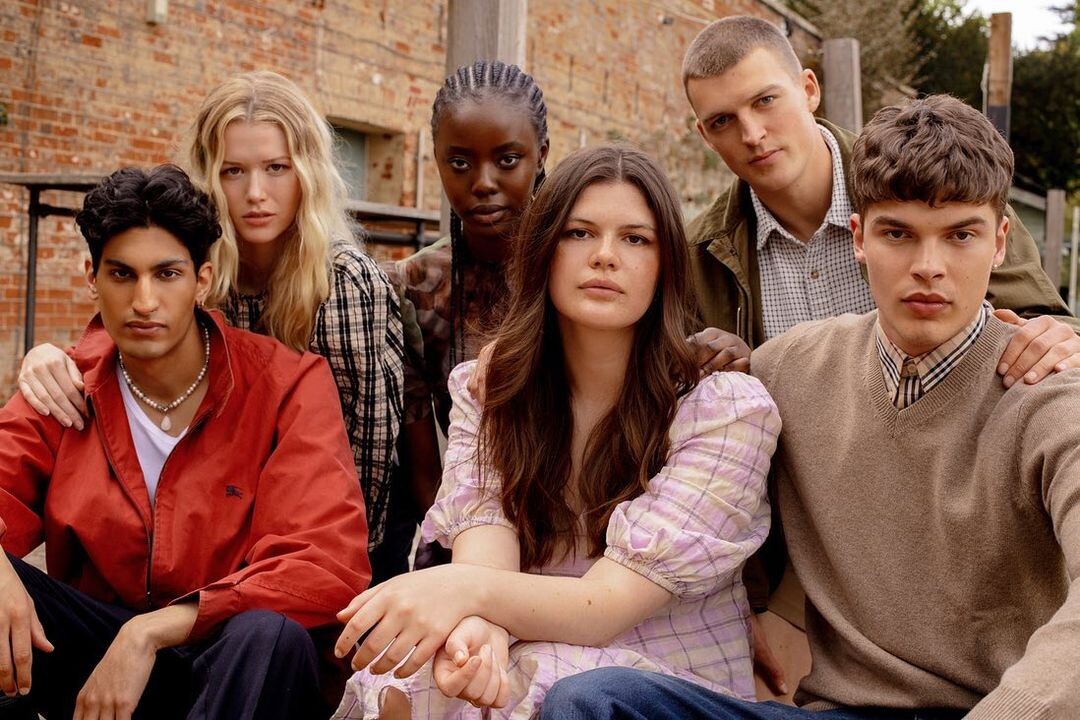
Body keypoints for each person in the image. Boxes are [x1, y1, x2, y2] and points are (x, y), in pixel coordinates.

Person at [539, 95, 1080, 720]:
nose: (928, 267)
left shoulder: (1052, 395)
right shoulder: (786, 371)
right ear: (858, 237)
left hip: (996, 710)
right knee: (593, 701)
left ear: (1000, 241)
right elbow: (681, 478)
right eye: (898, 233)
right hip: (839, 713)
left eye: (961, 235)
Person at [679, 15, 1080, 693]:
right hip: (819, 565)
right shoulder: (700, 259)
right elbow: (721, 409)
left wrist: (1066, 340)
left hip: (959, 555)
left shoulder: (922, 177)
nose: (751, 133)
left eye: (765, 101)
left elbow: (1041, 333)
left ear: (808, 89)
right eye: (723, 120)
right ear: (863, 237)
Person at [330, 144, 781, 719]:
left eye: (635, 239)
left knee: (531, 684)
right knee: (415, 679)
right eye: (579, 233)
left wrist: (461, 594)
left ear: (666, 264)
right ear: (544, 251)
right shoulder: (493, 388)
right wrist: (479, 637)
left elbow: (606, 606)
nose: (605, 257)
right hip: (526, 636)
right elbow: (486, 540)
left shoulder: (724, 411)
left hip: (663, 675)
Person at [0, 165, 369, 720]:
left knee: (270, 634)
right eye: (122, 274)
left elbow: (324, 564)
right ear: (92, 278)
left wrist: (150, 632)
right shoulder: (64, 386)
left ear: (202, 280)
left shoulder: (286, 383)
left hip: (235, 662)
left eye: (167, 274)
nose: (144, 301)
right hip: (95, 660)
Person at [15, 71, 406, 583]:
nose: (256, 193)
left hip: (333, 546)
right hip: (219, 542)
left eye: (276, 168)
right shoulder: (198, 267)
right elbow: (141, 324)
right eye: (233, 171)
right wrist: (47, 356)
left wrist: (317, 574)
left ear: (307, 172)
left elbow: (366, 463)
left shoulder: (344, 283)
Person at [383, 60, 549, 571]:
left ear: (541, 154)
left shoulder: (578, 271)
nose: (482, 183)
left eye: (507, 160)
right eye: (459, 163)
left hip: (581, 535)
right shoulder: (414, 286)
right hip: (463, 535)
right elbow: (423, 469)